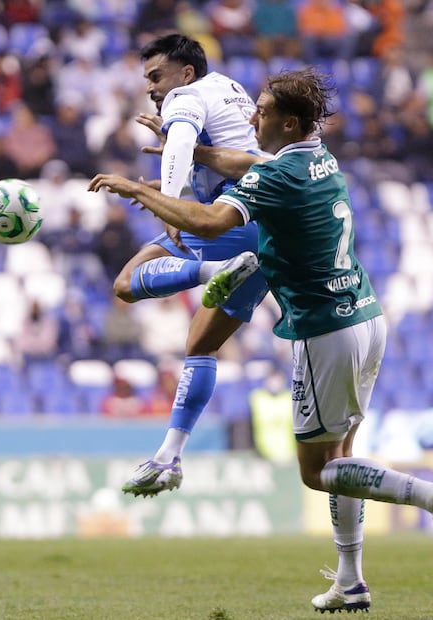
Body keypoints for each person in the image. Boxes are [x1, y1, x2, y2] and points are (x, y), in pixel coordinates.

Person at [90, 68, 433, 613]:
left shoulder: (277, 177)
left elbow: (207, 223)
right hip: (366, 316)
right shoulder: (317, 156)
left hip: (325, 331)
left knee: (318, 471)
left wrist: (137, 189)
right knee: (342, 454)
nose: (252, 117)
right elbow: (247, 164)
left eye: (263, 111)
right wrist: (197, 153)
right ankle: (350, 580)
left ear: (288, 122)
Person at [112, 33, 269, 497]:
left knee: (125, 284)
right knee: (201, 344)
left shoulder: (186, 96)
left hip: (230, 220)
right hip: (266, 227)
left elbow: (182, 141)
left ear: (185, 73)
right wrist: (172, 181)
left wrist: (172, 200)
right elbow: (227, 156)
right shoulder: (230, 89)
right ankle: (169, 457)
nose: (151, 88)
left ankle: (211, 273)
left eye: (156, 76)